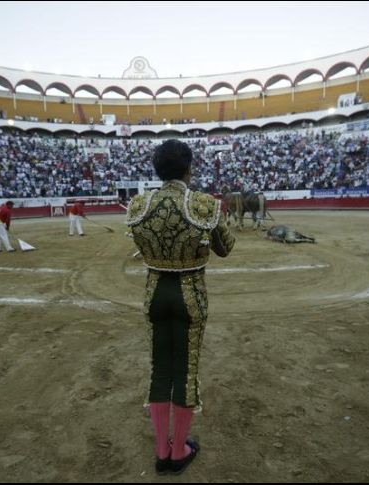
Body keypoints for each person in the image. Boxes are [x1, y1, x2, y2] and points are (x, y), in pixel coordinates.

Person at [126, 140, 235, 476]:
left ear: (157, 170)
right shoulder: (203, 204)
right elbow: (226, 247)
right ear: (189, 169)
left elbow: (140, 241)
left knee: (160, 369)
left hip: (155, 293)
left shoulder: (139, 204)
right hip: (190, 294)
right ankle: (178, 452)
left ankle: (162, 450)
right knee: (185, 371)